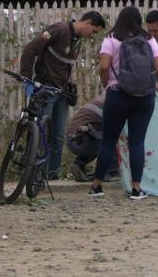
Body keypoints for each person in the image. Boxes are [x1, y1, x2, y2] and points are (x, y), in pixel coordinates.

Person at [20, 11, 106, 180]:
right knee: (41, 132)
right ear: (87, 22)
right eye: (93, 31)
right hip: (46, 89)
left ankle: (53, 175)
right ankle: (34, 175)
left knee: (58, 136)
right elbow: (31, 48)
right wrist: (26, 78)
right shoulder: (59, 29)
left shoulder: (76, 40)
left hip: (61, 93)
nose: (92, 35)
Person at [89, 6, 158, 200]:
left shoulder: (111, 39)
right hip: (145, 97)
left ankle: (97, 187)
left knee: (108, 141)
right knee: (137, 142)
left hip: (118, 95)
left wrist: (106, 83)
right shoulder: (148, 39)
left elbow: (104, 66)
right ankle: (137, 189)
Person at [66, 94, 118, 182]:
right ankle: (109, 172)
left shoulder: (102, 99)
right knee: (113, 139)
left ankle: (78, 164)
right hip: (85, 138)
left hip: (71, 139)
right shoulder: (118, 101)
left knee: (98, 138)